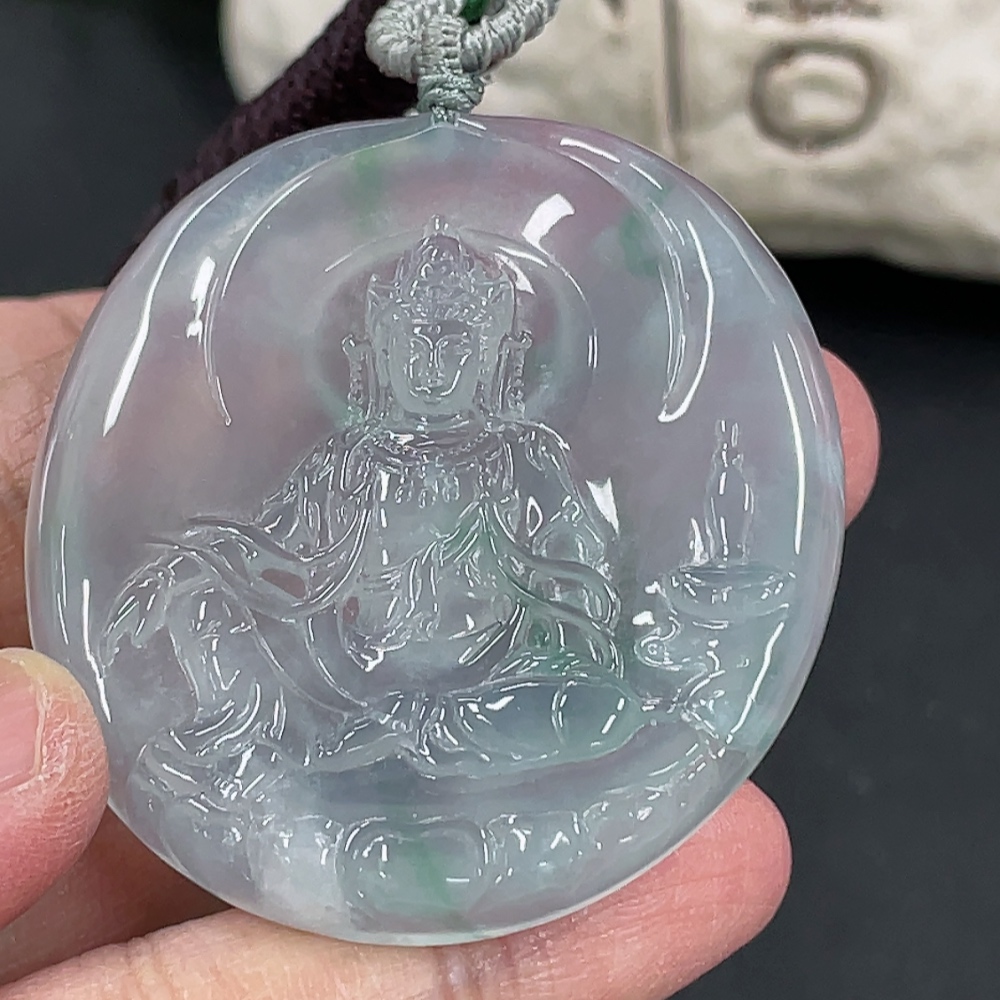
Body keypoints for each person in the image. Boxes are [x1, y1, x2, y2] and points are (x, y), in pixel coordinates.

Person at [0, 289, 879, 999]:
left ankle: (356, 756)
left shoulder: (521, 458)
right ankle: (252, 744)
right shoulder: (347, 462)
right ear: (374, 355)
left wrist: (533, 590)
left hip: (487, 686)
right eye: (410, 342)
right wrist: (200, 562)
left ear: (499, 359)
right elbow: (292, 570)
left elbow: (582, 590)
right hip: (344, 684)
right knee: (202, 603)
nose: (431, 362)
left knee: (597, 707)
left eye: (455, 341)